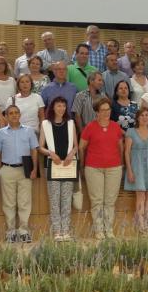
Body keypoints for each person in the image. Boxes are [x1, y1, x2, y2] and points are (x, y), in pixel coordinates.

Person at [79, 98, 124, 239]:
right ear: (97, 112)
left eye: (108, 109)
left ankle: (109, 229)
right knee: (97, 200)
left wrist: (121, 164)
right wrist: (82, 166)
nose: (106, 112)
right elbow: (81, 147)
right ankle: (99, 230)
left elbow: (120, 147)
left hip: (114, 168)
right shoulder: (90, 127)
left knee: (110, 201)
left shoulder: (116, 127)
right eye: (103, 110)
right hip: (94, 168)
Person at [0, 105, 39, 243]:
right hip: (7, 169)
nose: (14, 115)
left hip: (25, 170)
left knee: (24, 201)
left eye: (16, 113)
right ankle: (11, 232)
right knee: (9, 203)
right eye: (11, 113)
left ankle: (24, 231)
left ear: (20, 115)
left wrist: (34, 169)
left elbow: (34, 151)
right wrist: (1, 169)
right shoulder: (1, 133)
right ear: (6, 116)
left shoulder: (29, 131)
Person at [39, 97, 78, 241]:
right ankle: (57, 231)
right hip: (52, 165)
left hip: (68, 165)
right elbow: (40, 146)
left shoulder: (70, 123)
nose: (61, 108)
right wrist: (50, 153)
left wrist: (71, 155)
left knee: (66, 199)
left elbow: (75, 145)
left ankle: (66, 231)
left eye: (63, 106)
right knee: (54, 200)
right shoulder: (45, 124)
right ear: (53, 108)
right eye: (58, 106)